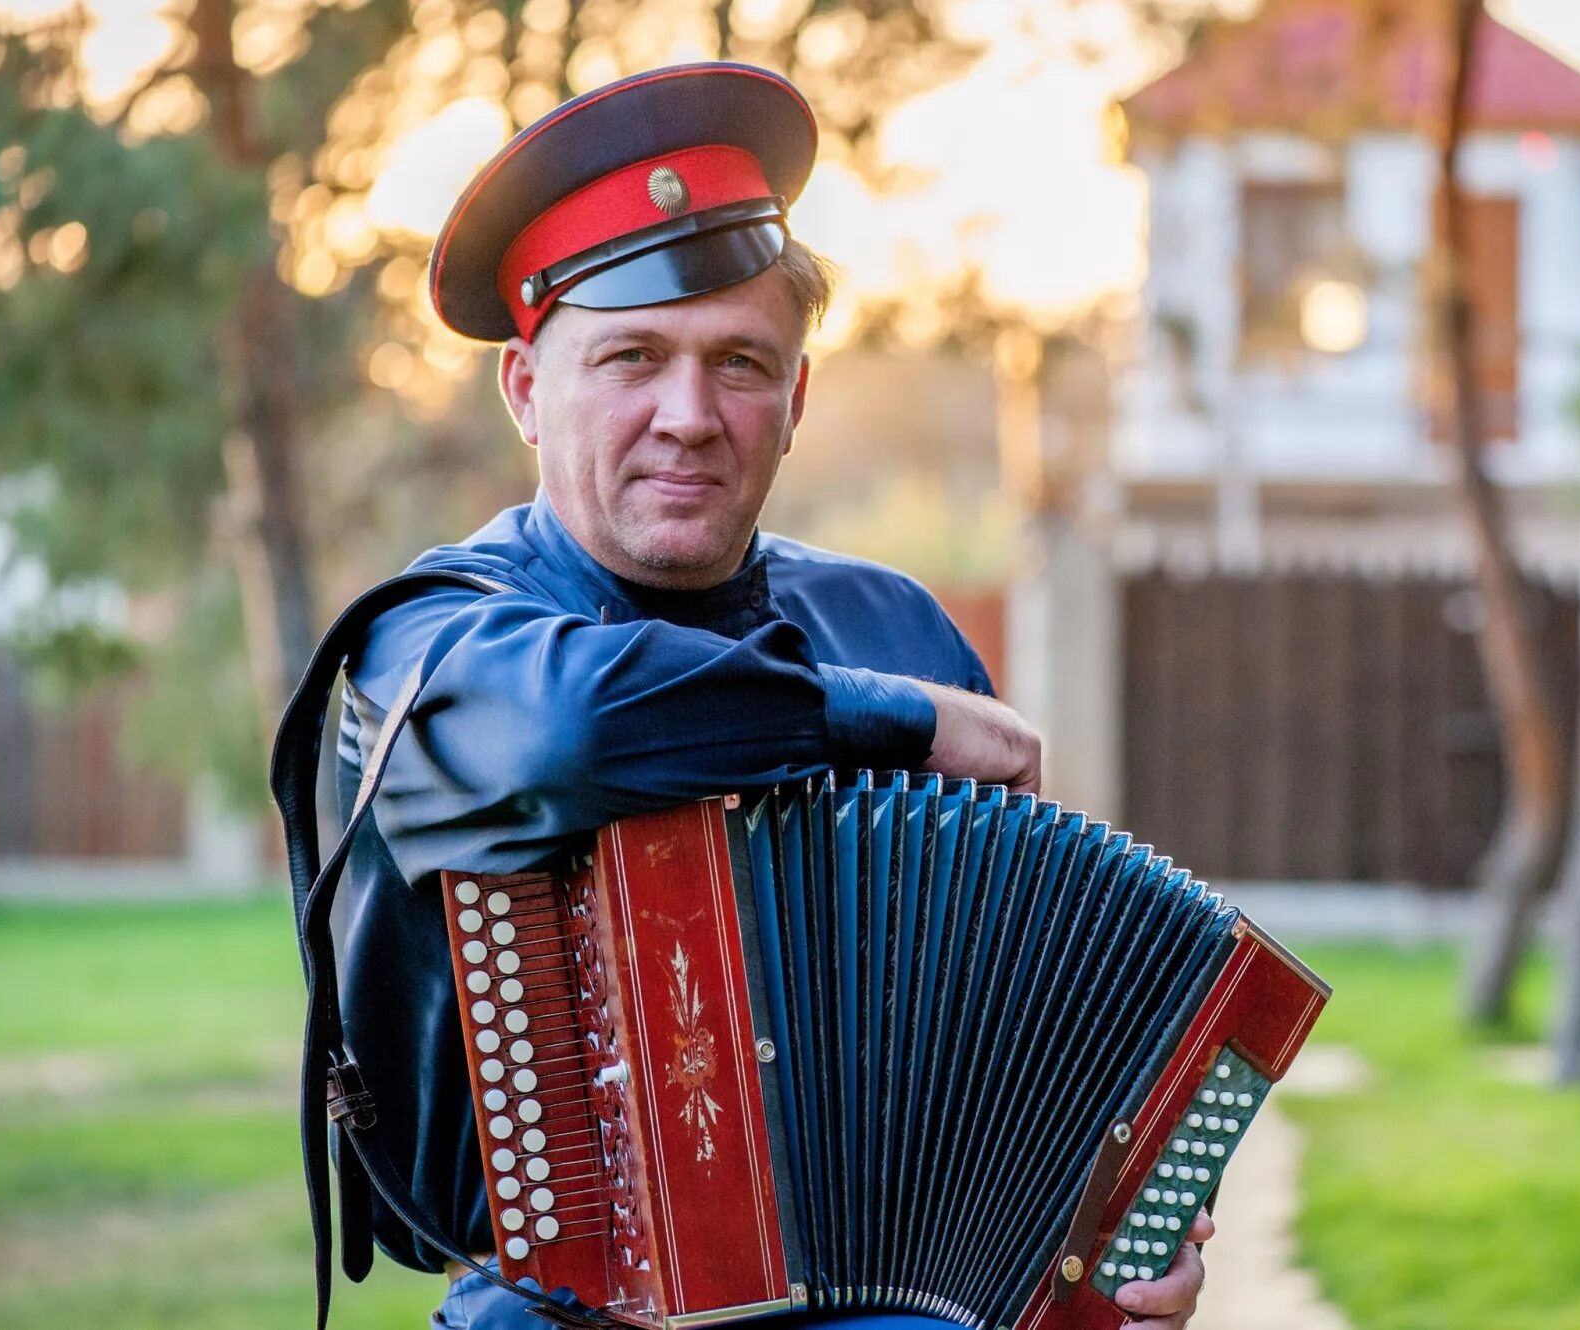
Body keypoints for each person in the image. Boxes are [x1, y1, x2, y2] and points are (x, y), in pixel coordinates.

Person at [327, 62, 1215, 1330]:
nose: (689, 416)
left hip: (897, 1294)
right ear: (526, 392)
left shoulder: (897, 623)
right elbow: (571, 730)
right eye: (632, 357)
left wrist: (1126, 1226)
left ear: (796, 401)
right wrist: (898, 719)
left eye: (739, 363)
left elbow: (1027, 1031)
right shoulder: (432, 637)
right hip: (563, 1311)